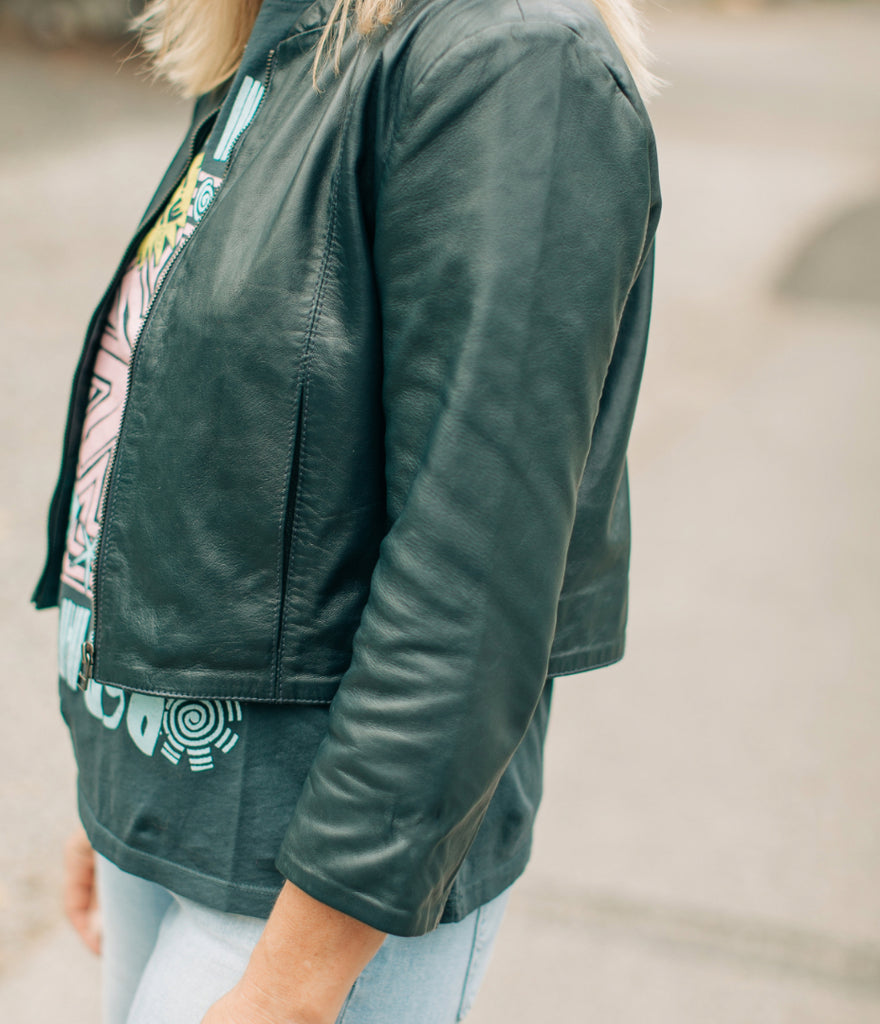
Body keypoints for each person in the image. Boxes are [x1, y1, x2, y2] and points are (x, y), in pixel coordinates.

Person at [34, 0, 661, 1020]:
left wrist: (292, 987)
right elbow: (187, 456)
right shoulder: (291, 34)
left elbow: (474, 574)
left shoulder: (509, 62)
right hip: (167, 821)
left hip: (306, 890)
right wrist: (118, 784)